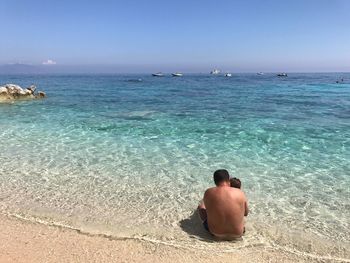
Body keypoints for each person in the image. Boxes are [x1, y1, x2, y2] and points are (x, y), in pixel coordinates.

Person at [198, 169, 248, 240]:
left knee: (201, 206)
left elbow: (208, 211)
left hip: (215, 233)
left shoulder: (208, 192)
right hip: (238, 233)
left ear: (215, 181)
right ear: (228, 180)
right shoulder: (240, 193)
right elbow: (246, 213)